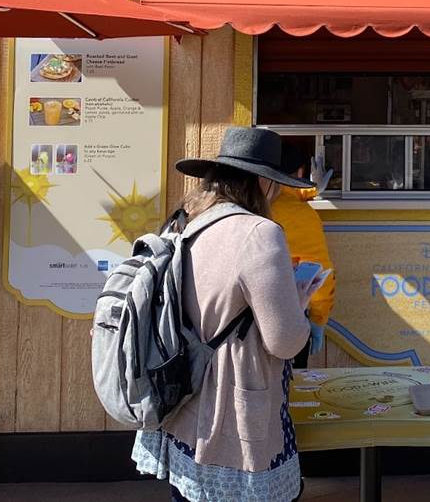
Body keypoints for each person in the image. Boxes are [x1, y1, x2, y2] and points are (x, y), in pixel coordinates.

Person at [132, 127, 314, 502]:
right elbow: (284, 341)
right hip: (230, 414)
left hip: (180, 406)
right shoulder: (259, 233)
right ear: (264, 182)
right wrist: (299, 304)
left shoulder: (185, 223)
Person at [274, 146, 335, 368]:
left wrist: (311, 189)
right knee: (289, 384)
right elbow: (317, 272)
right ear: (301, 172)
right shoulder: (300, 215)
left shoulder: (248, 203)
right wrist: (318, 319)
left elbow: (285, 193)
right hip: (287, 317)